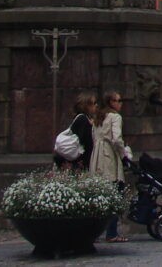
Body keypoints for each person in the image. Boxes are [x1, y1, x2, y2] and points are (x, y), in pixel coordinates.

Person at [91, 90, 128, 243]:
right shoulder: (115, 117)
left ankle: (94, 232)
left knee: (99, 194)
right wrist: (123, 155)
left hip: (97, 156)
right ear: (111, 102)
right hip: (109, 156)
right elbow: (117, 139)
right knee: (114, 194)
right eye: (118, 100)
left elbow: (94, 136)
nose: (120, 104)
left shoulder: (98, 117)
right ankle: (111, 232)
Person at [55, 92, 96, 171]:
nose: (96, 106)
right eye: (93, 103)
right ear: (86, 106)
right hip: (80, 162)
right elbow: (84, 142)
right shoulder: (82, 119)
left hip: (79, 161)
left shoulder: (84, 119)